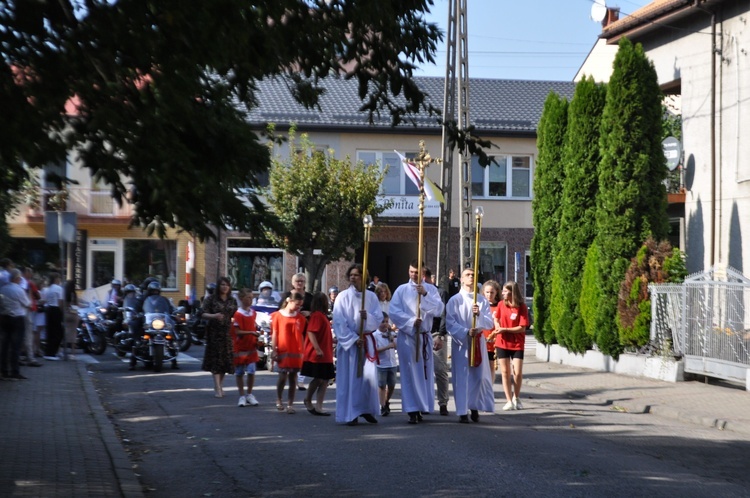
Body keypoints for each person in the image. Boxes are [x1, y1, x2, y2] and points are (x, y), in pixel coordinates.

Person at [389, 260, 445, 424]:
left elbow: (439, 310)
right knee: (410, 373)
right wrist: (412, 321)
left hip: (425, 337)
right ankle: (412, 409)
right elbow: (394, 311)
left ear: (423, 273)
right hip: (408, 336)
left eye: (417, 272)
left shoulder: (431, 290)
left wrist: (425, 295)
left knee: (424, 374)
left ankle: (422, 406)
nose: (414, 275)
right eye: (411, 271)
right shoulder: (401, 290)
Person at [332, 264, 382, 426]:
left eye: (357, 275)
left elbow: (378, 318)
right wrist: (353, 339)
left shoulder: (371, 297)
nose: (353, 277)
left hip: (366, 342)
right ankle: (350, 412)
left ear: (363, 277)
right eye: (351, 275)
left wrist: (367, 318)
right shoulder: (342, 297)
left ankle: (366, 409)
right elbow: (339, 322)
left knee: (367, 380)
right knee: (350, 379)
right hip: (351, 345)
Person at [446, 268, 495, 423]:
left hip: (478, 341)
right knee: (462, 376)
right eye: (468, 275)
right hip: (462, 343)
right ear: (461, 279)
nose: (471, 277)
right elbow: (450, 323)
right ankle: (462, 411)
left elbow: (489, 323)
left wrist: (479, 314)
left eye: (473, 275)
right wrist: (466, 331)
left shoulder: (481, 300)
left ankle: (474, 406)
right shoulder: (455, 300)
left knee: (478, 376)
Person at [494, 280, 530, 411]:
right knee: (505, 372)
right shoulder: (500, 304)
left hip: (517, 343)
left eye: (505, 291)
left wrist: (505, 329)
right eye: (502, 290)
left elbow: (522, 328)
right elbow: (496, 318)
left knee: (517, 372)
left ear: (512, 292)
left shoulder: (522, 307)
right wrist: (498, 326)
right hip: (502, 342)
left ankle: (516, 397)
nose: (502, 293)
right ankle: (508, 400)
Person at [200, 277, 237, 398]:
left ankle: (220, 385)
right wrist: (214, 316)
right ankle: (217, 386)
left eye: (227, 285)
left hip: (227, 333)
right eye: (222, 285)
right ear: (218, 287)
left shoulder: (232, 300)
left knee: (225, 361)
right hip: (214, 332)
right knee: (216, 360)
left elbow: (236, 314)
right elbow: (202, 313)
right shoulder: (211, 299)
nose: (224, 287)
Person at [271, 291, 306, 414]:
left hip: (296, 351)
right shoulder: (277, 316)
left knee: (293, 378)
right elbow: (275, 333)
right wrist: (273, 349)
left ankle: (290, 404)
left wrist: (303, 351)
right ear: (289, 301)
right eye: (297, 304)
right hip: (282, 349)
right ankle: (279, 399)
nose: (298, 307)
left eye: (300, 305)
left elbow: (301, 335)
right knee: (282, 377)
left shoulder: (300, 318)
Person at [301, 292, 335, 416]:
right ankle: (308, 399)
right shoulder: (317, 316)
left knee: (325, 380)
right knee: (319, 378)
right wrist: (317, 348)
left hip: (326, 353)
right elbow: (311, 332)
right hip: (319, 354)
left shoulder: (321, 316)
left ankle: (319, 406)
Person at [231, 288, 260, 407]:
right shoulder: (238, 314)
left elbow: (253, 326)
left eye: (252, 297)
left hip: (251, 346)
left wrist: (256, 335)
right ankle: (242, 395)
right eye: (248, 297)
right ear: (242, 299)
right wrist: (251, 333)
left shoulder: (253, 313)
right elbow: (237, 332)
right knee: (239, 372)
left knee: (251, 371)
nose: (250, 300)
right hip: (240, 347)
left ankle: (249, 394)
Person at [0, 269, 31, 379]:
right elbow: (27, 303)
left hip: (4, 318)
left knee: (4, 345)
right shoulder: (19, 290)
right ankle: (14, 371)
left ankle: (3, 370)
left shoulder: (2, 289)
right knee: (15, 346)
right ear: (17, 278)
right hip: (17, 319)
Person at [290, 273, 313, 391]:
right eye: (297, 281)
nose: (299, 283)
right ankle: (292, 378)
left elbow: (316, 311)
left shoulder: (309, 297)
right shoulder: (288, 295)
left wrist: (309, 313)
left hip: (306, 329)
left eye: (302, 281)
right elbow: (280, 311)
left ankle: (300, 380)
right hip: (291, 329)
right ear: (292, 283)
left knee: (304, 354)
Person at [374, 313, 397, 416]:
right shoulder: (375, 335)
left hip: (392, 363)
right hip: (381, 364)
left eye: (387, 322)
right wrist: (388, 346)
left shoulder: (391, 334)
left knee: (392, 385)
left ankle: (387, 401)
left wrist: (394, 342)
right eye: (382, 322)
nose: (385, 324)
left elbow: (396, 346)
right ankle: (383, 406)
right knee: (382, 385)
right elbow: (375, 350)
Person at [481, 280, 502, 377]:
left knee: (491, 367)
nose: (489, 295)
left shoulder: (499, 306)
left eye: (492, 292)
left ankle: (489, 388)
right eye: (487, 292)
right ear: (483, 292)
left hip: (492, 342)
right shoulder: (480, 305)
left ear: (496, 292)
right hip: (481, 340)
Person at [42, 272, 65, 360]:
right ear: (56, 279)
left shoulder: (48, 289)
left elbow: (45, 300)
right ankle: (53, 352)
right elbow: (60, 302)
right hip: (56, 309)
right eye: (59, 278)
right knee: (58, 332)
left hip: (48, 309)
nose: (59, 280)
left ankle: (48, 351)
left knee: (50, 331)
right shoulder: (59, 288)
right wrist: (62, 312)